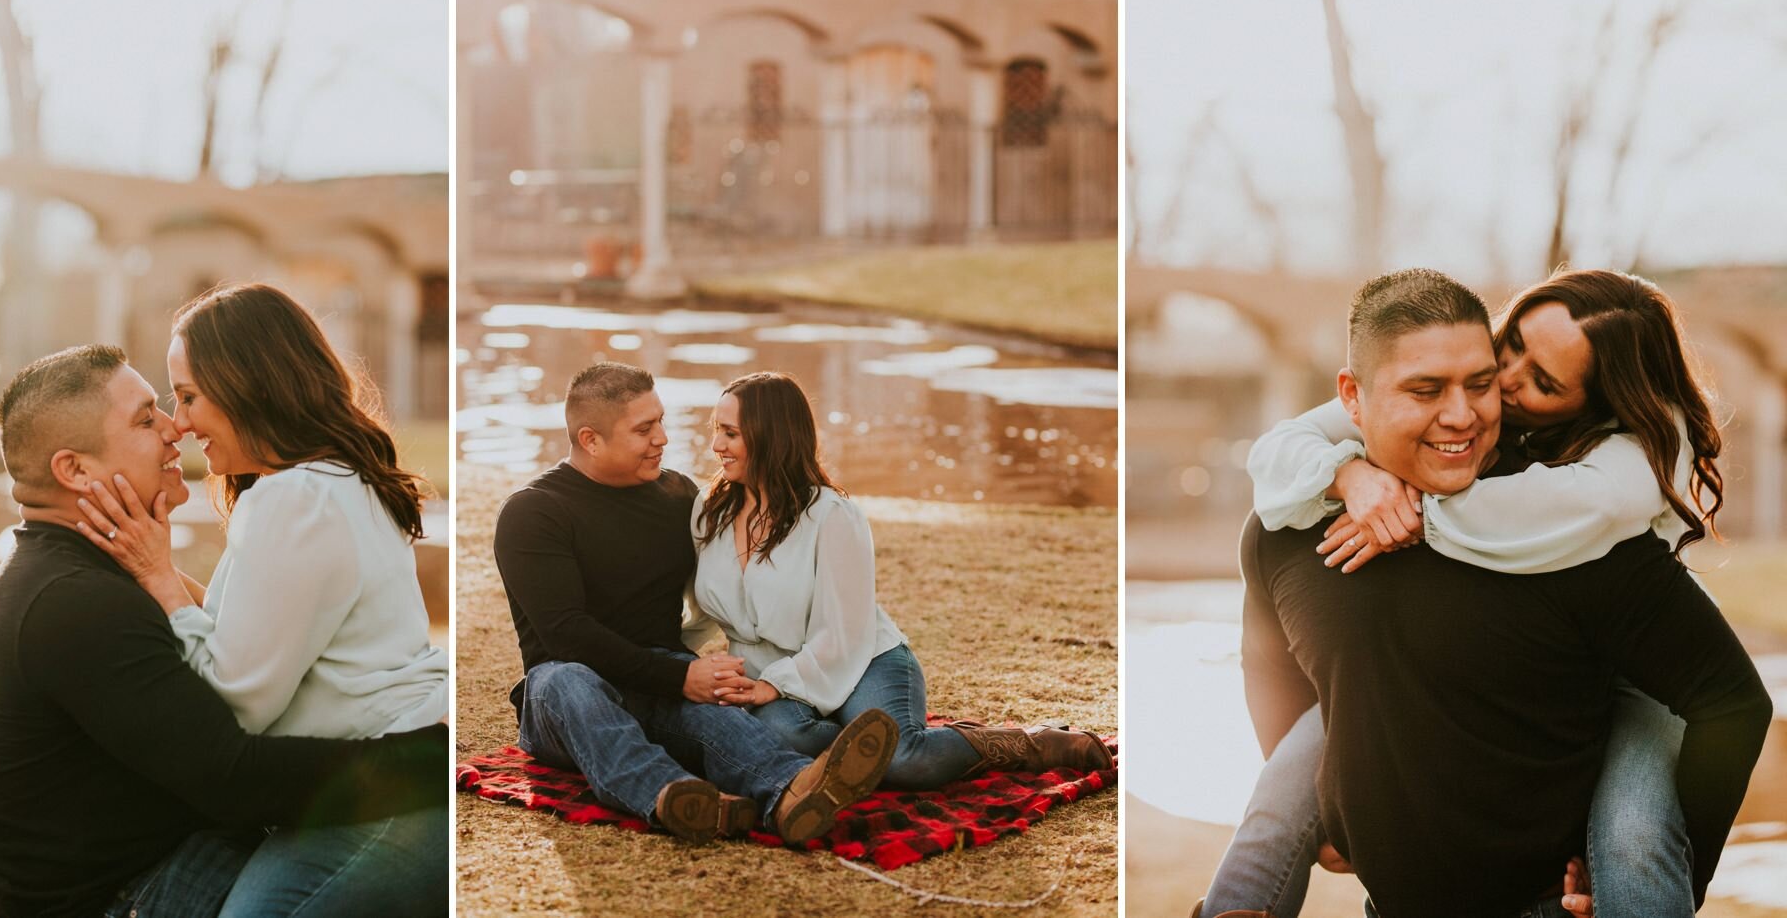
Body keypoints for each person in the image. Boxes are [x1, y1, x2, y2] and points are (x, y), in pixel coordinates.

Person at [1227, 269, 1770, 918]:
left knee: (1635, 836)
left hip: (1626, 708)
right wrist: (1349, 475)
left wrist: (1415, 509)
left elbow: (1732, 701)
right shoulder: (1295, 522)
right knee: (1289, 780)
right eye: (1507, 349)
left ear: (1593, 405)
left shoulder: (1599, 507)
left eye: (1539, 382)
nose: (1501, 387)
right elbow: (1270, 649)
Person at [0, 344, 447, 918]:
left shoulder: (85, 572)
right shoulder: (72, 604)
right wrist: (426, 754)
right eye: (145, 418)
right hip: (131, 898)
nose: (175, 429)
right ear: (76, 470)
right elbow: (232, 778)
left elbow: (229, 652)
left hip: (168, 865)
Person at [73, 283, 448, 916]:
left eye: (189, 397)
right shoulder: (337, 479)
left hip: (389, 805)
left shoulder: (293, 501)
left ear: (249, 383)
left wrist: (160, 579)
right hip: (392, 785)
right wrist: (156, 570)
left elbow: (235, 702)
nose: (182, 424)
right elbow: (252, 629)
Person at [492, 361, 899, 847]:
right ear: (590, 440)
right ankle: (670, 795)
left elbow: (735, 575)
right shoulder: (533, 512)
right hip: (564, 701)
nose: (663, 438)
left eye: (661, 420)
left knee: (713, 705)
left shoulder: (680, 496)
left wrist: (700, 675)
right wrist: (682, 676)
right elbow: (566, 634)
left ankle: (788, 792)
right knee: (567, 678)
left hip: (660, 682)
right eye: (644, 429)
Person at [691, 371, 1112, 787]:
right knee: (781, 736)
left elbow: (844, 634)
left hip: (861, 660)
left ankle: (1026, 744)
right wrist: (667, 668)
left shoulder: (832, 516)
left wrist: (773, 685)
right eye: (716, 430)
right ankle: (869, 754)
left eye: (730, 433)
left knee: (902, 762)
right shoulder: (709, 513)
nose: (716, 446)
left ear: (771, 436)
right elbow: (698, 610)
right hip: (772, 676)